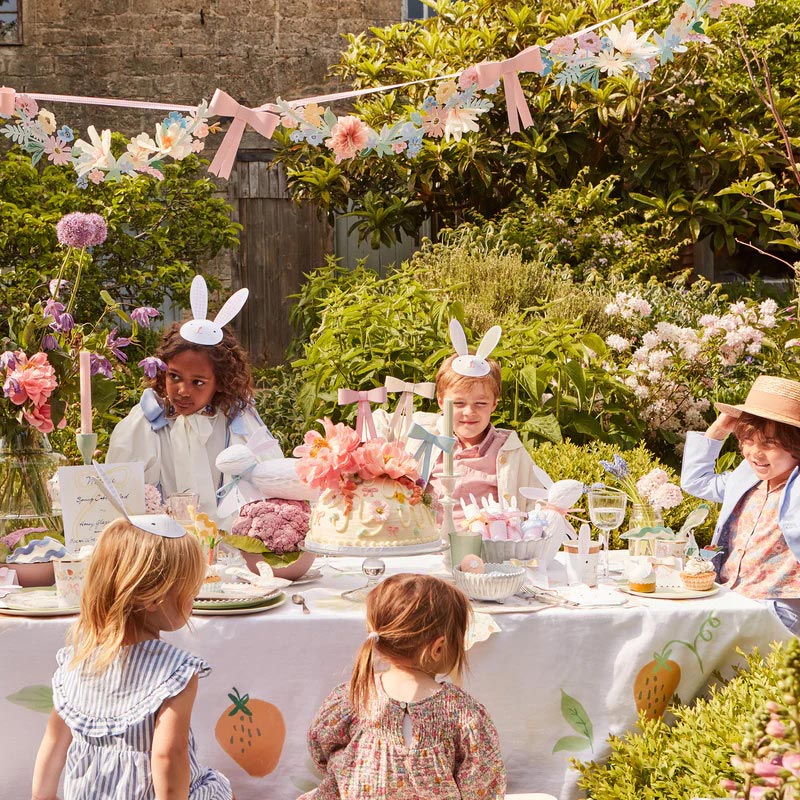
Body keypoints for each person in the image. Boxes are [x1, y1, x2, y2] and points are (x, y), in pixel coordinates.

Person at [30, 517, 232, 800]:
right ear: (152, 598)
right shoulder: (175, 672)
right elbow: (167, 757)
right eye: (190, 590)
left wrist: (43, 798)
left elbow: (53, 743)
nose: (194, 597)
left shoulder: (76, 661)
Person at [299, 573, 506, 800]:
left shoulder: (352, 698)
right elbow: (483, 786)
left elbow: (319, 750)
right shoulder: (464, 715)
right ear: (438, 648)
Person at [107, 320, 267, 526]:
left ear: (220, 381)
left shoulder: (236, 423)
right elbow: (122, 486)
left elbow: (263, 477)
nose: (183, 391)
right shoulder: (147, 422)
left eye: (198, 382)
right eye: (174, 377)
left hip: (227, 544)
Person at [681, 374, 800, 634]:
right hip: (729, 597)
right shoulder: (747, 477)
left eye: (769, 444)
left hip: (779, 609)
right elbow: (696, 481)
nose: (755, 453)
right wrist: (719, 430)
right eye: (747, 440)